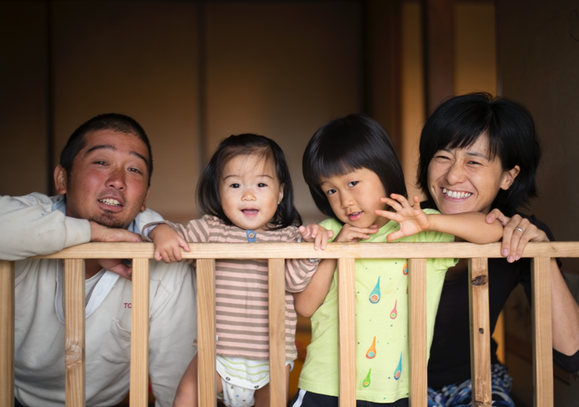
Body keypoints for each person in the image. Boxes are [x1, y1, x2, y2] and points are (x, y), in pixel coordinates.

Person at [289, 114, 504, 407]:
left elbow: (494, 230)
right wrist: (335, 252)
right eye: (331, 190)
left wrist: (431, 225)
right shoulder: (329, 231)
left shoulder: (422, 228)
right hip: (325, 385)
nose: (344, 200)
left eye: (353, 182)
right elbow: (304, 306)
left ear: (384, 172)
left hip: (399, 390)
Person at [0, 114, 197, 407]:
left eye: (134, 169)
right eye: (101, 162)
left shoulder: (161, 256)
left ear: (144, 197)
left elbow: (173, 378)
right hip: (11, 395)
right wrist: (93, 234)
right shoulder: (30, 219)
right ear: (63, 178)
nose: (117, 181)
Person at [418, 92, 579, 407]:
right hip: (391, 385)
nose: (452, 175)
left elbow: (571, 353)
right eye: (443, 156)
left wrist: (542, 255)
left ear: (508, 176)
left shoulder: (518, 235)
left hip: (476, 384)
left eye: (474, 161)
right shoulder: (400, 228)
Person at [142, 134, 323, 407]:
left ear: (280, 192)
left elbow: (295, 282)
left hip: (273, 356)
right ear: (219, 191)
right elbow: (173, 234)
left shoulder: (288, 237)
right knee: (185, 398)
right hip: (216, 354)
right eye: (235, 184)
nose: (248, 194)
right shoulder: (211, 230)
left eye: (261, 184)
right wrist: (160, 230)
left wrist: (309, 249)